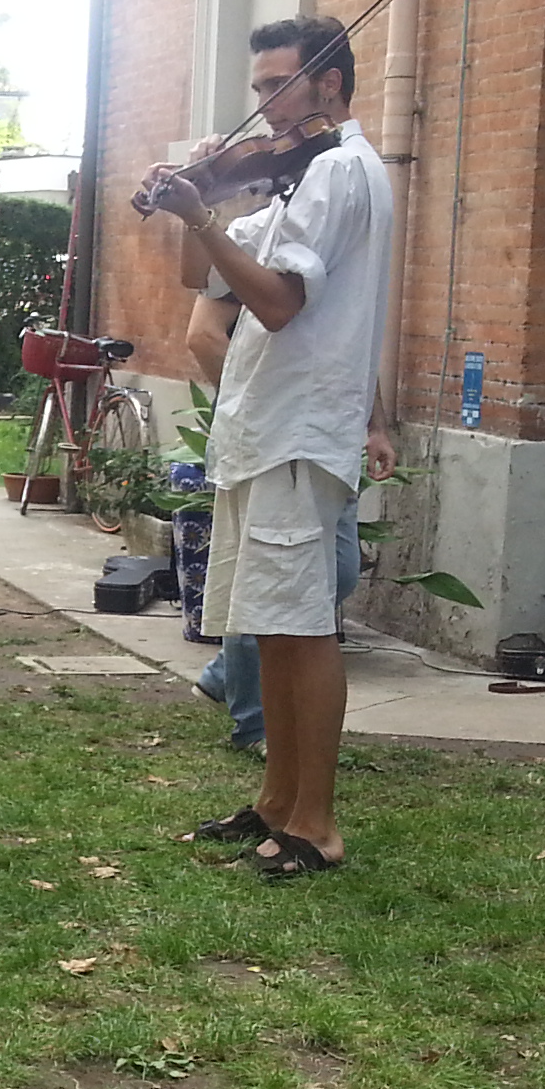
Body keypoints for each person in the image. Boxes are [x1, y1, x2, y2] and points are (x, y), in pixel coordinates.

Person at [141, 15, 393, 876]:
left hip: (299, 425)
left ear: (328, 83)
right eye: (256, 89)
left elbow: (279, 302)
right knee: (271, 629)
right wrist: (197, 201)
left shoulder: (341, 173)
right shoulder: (295, 177)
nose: (264, 105)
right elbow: (201, 276)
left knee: (302, 627)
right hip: (263, 423)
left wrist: (207, 216)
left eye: (277, 85)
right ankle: (275, 804)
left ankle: (314, 826)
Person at [185, 288, 389, 752]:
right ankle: (255, 726)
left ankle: (223, 675)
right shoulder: (251, 241)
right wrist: (263, 406)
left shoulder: (348, 255)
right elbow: (202, 335)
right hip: (273, 441)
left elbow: (352, 350)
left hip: (330, 440)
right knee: (265, 582)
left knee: (337, 569)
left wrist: (375, 425)